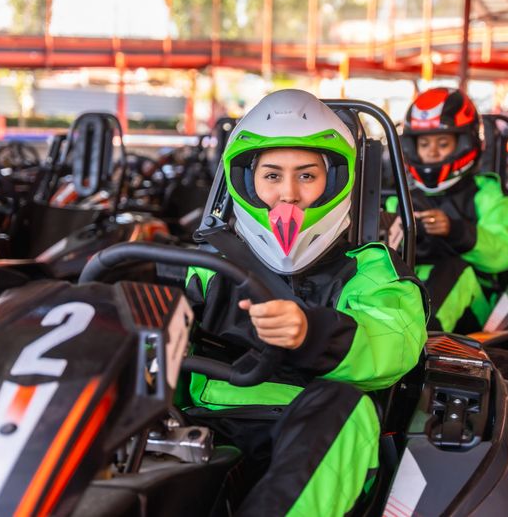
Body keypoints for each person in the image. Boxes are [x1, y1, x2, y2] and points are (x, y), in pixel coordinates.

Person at [182, 89, 428, 516]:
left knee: (341, 406)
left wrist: (312, 332)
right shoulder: (210, 263)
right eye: (272, 176)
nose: (289, 194)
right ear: (247, 180)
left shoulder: (369, 268)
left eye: (307, 176)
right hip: (205, 419)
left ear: (335, 180)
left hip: (309, 420)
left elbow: (396, 342)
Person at [386, 87, 508, 333]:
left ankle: (412, 347)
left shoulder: (489, 195)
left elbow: (504, 256)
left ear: (463, 144)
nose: (432, 152)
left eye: (443, 143)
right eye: (424, 144)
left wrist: (456, 231)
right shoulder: (401, 199)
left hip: (480, 301)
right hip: (414, 286)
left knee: (455, 270)